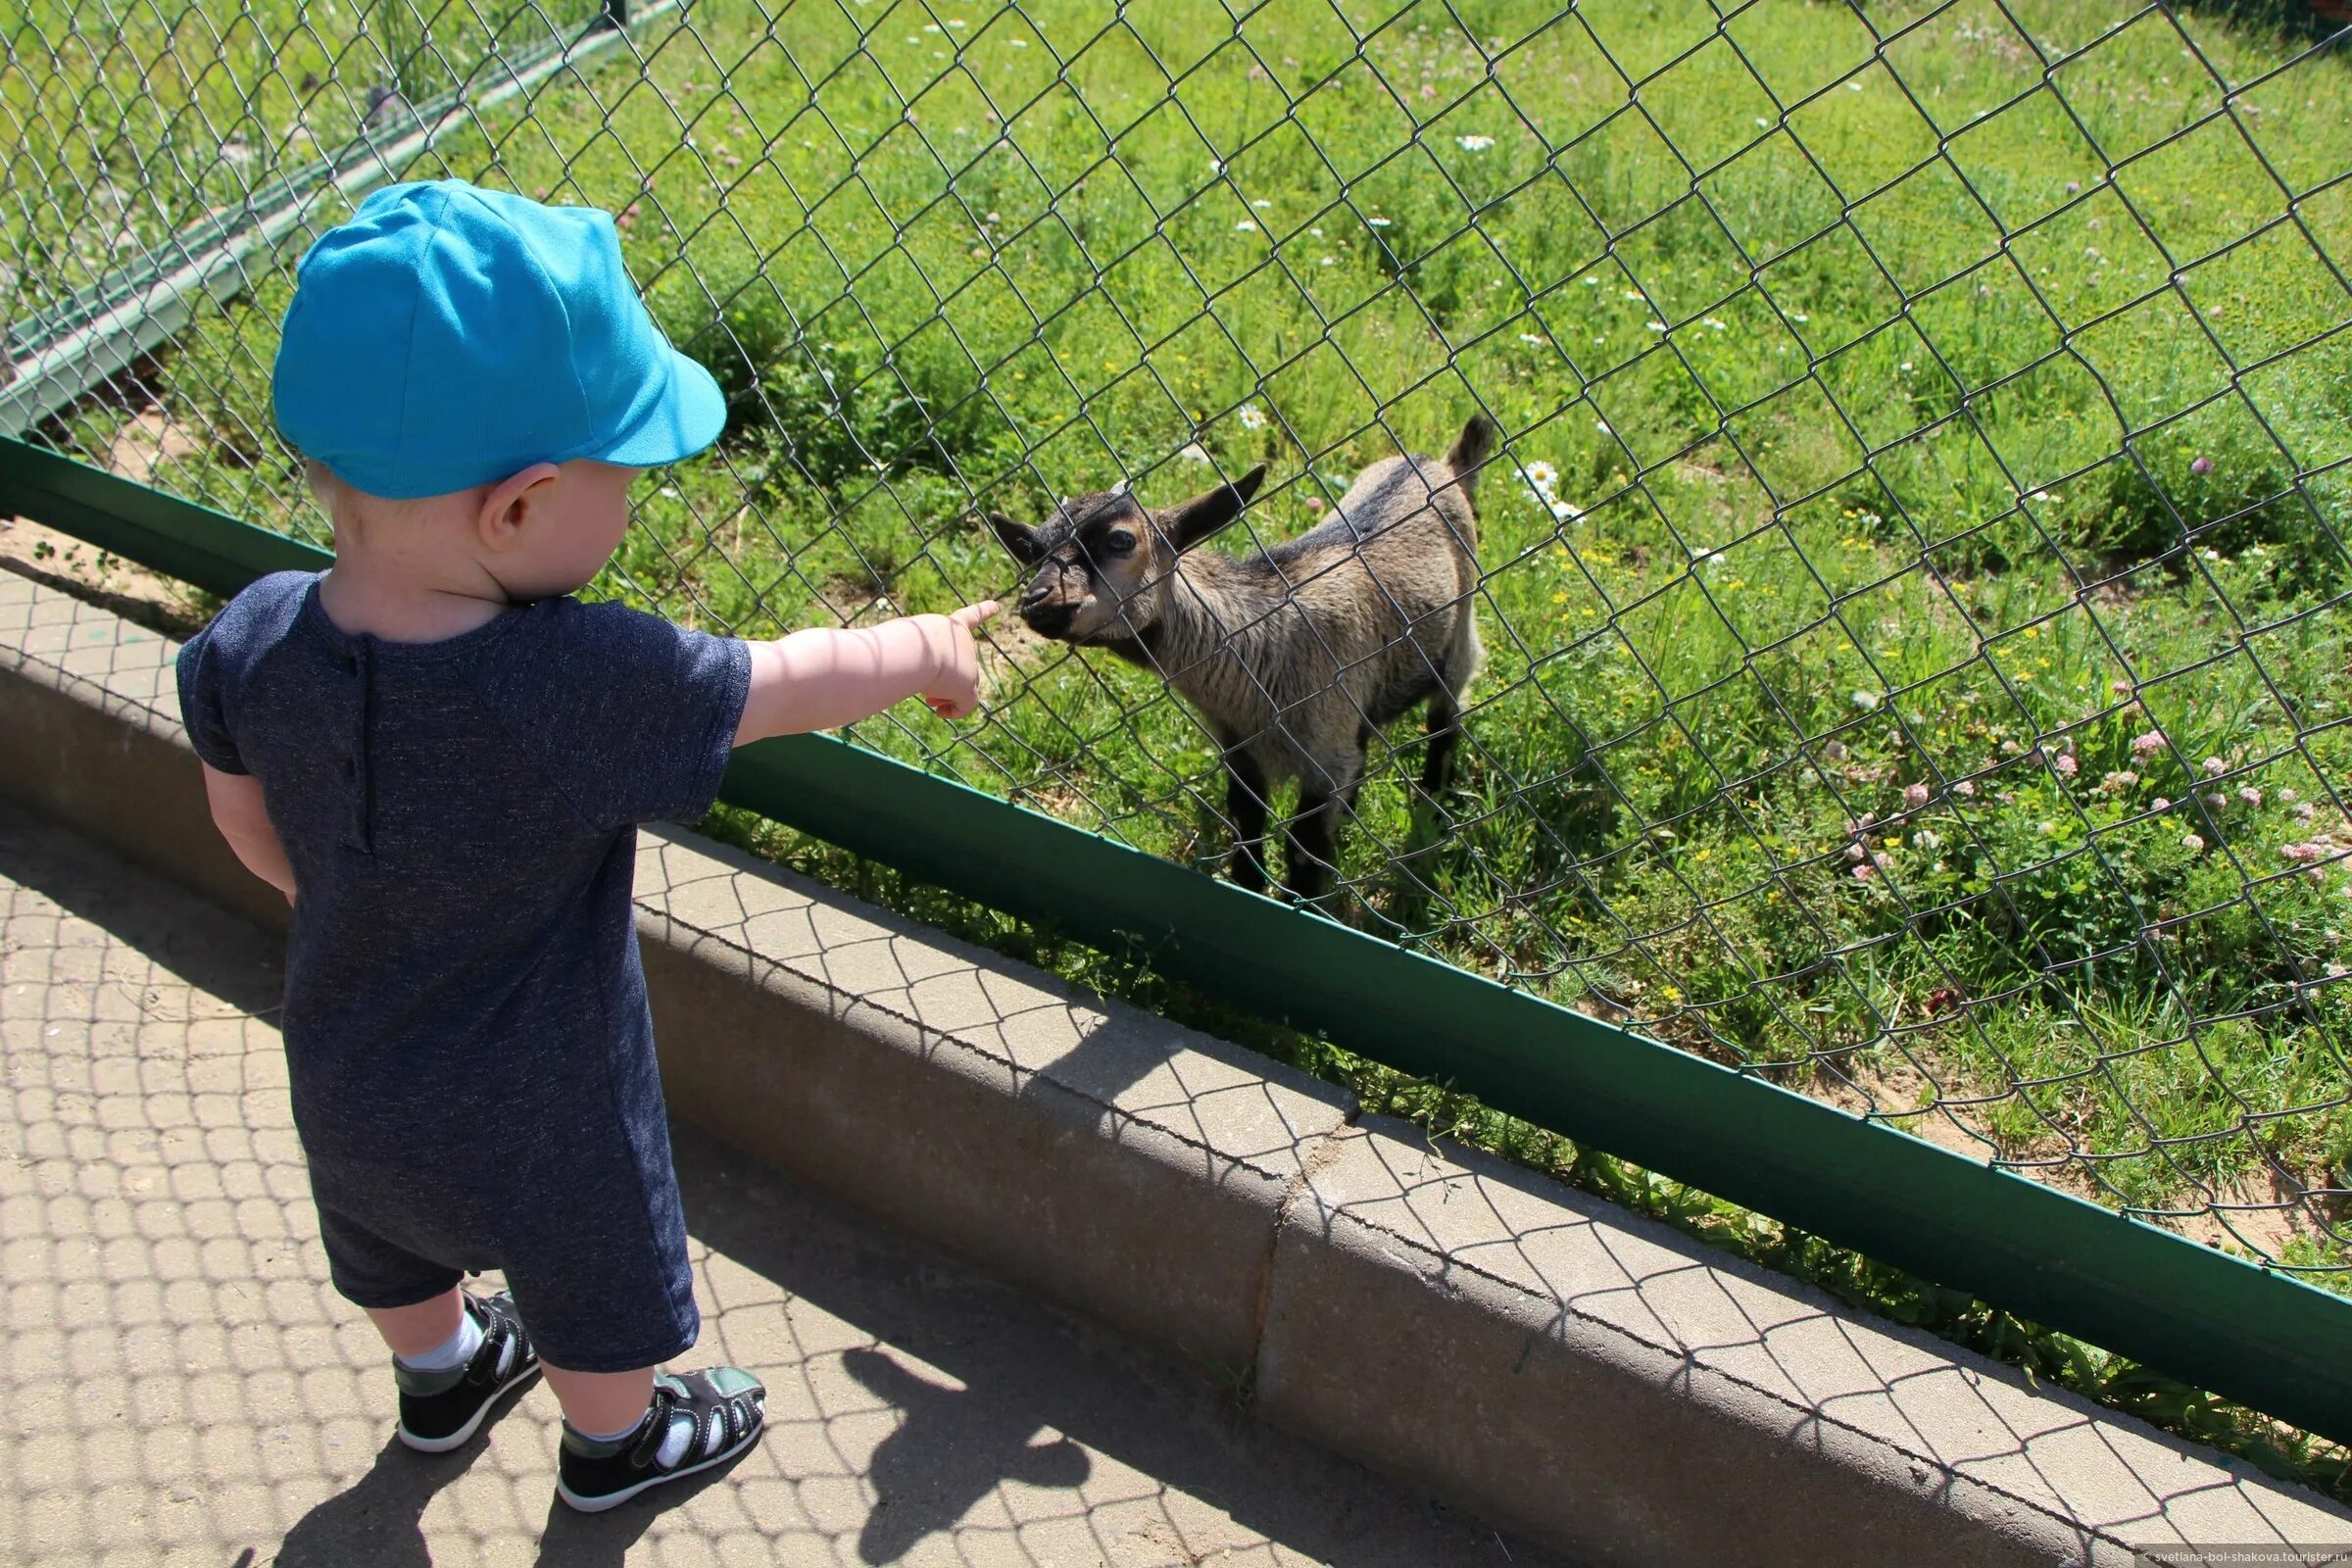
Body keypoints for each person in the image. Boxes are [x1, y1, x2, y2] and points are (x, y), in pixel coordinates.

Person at [175, 179, 998, 1513]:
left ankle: (442, 1375)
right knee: (592, 1276)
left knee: (391, 1247)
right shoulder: (574, 679)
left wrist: (348, 900)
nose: (636, 508)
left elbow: (240, 818)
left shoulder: (257, 632)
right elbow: (778, 681)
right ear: (519, 507)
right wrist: (920, 650)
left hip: (346, 1067)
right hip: (548, 1113)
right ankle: (619, 1445)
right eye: (625, 481)